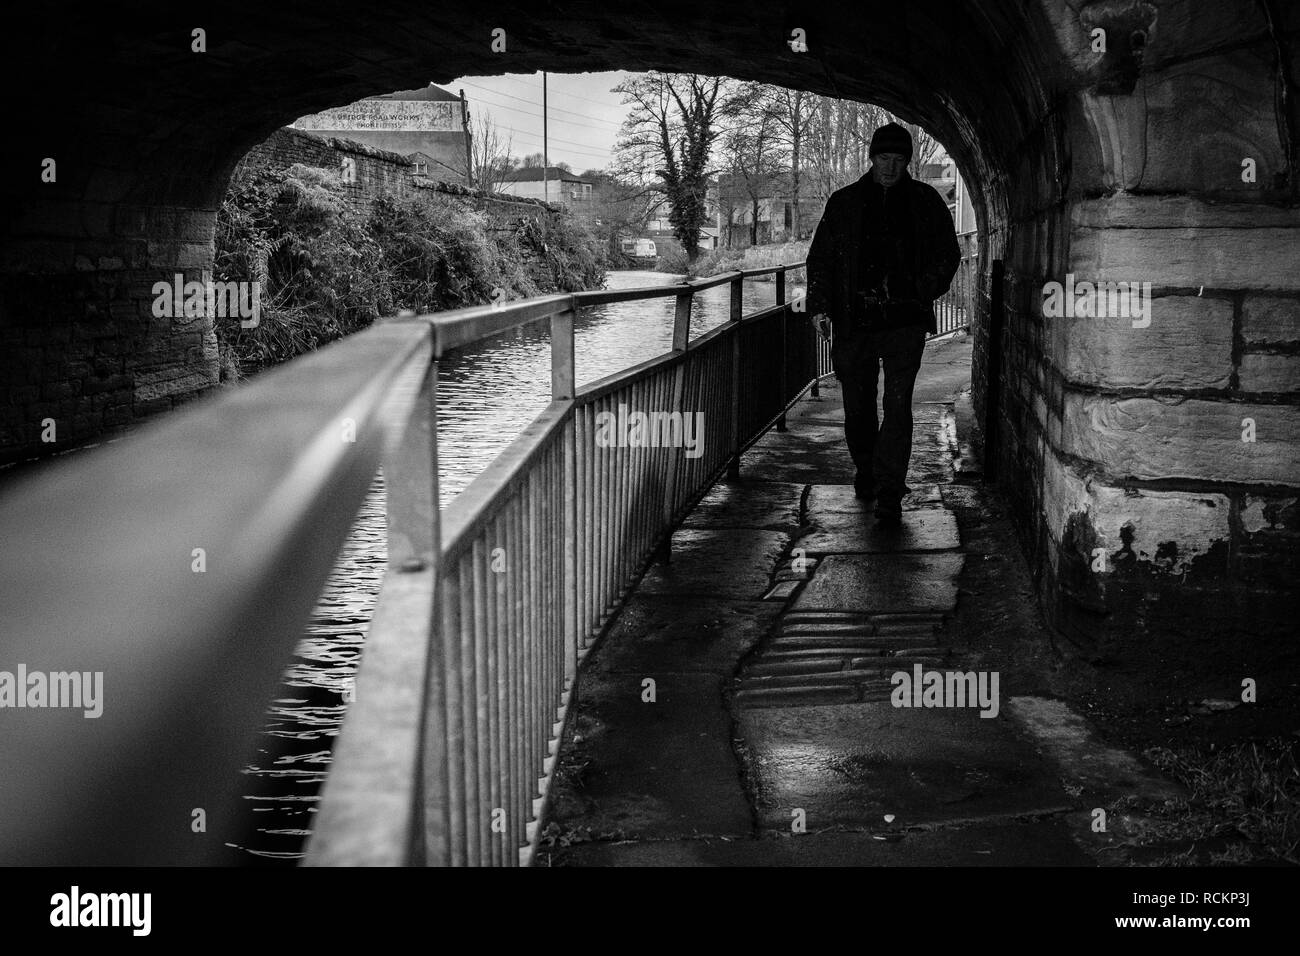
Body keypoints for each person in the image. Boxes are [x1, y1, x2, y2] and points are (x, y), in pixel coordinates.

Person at [805, 122, 960, 525]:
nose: (891, 167)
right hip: (854, 322)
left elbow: (948, 253)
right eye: (883, 158)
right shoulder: (844, 203)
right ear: (871, 158)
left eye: (899, 159)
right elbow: (820, 257)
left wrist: (921, 290)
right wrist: (820, 307)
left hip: (904, 322)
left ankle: (890, 489)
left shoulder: (925, 201)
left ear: (908, 161)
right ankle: (867, 469)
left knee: (897, 405)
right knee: (857, 407)